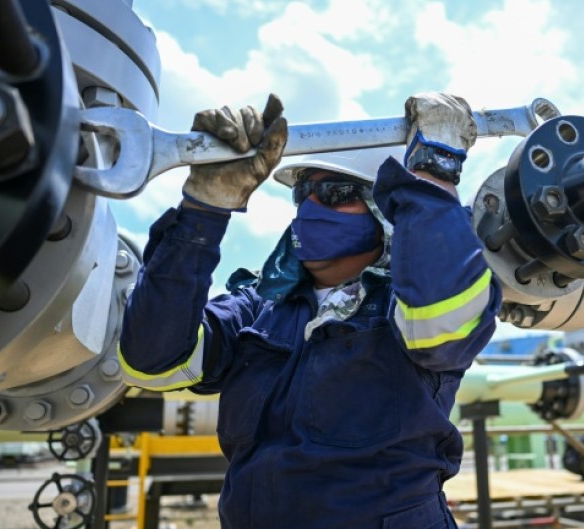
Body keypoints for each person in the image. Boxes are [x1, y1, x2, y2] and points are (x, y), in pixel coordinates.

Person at [119, 92, 502, 528]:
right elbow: (150, 359)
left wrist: (433, 175)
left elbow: (445, 322)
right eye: (305, 192)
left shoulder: (407, 308)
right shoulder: (258, 309)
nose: (312, 208)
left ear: (386, 213)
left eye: (336, 193)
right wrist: (203, 210)